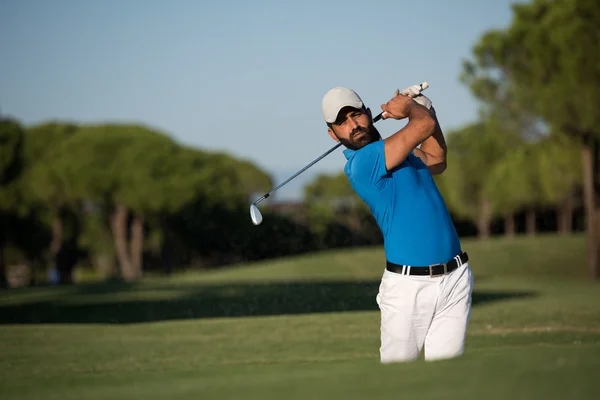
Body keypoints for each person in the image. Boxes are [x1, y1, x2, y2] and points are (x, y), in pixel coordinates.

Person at [320, 85, 474, 363]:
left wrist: (425, 108)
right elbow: (422, 124)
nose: (353, 125)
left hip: (455, 278)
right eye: (342, 122)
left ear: (368, 113)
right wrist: (411, 110)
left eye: (356, 115)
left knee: (448, 380)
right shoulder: (362, 162)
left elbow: (438, 159)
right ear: (333, 134)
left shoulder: (403, 153)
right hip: (407, 290)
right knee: (399, 384)